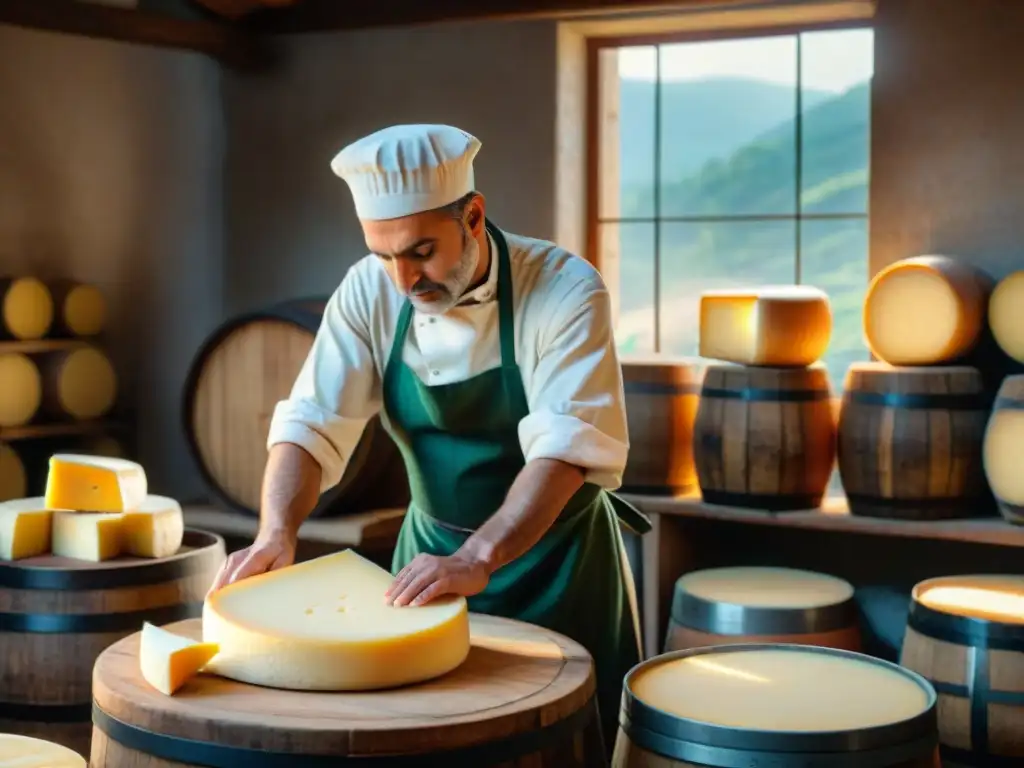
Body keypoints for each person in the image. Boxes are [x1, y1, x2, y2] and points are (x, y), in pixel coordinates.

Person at [206, 123, 650, 750]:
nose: (403, 279)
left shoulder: (565, 289)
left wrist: (478, 559)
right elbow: (310, 422)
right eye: (384, 255)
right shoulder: (368, 290)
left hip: (559, 561)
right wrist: (276, 532)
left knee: (563, 745)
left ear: (473, 215)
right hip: (426, 564)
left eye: (421, 251)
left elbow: (563, 451)